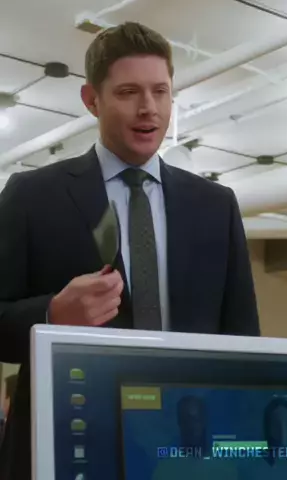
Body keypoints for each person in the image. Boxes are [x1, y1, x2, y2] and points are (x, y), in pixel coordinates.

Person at [0, 22, 259, 479]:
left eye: (161, 92)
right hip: (70, 443)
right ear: (91, 99)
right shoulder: (31, 195)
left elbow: (243, 341)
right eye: (128, 92)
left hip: (188, 448)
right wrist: (52, 314)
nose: (148, 109)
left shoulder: (216, 205)